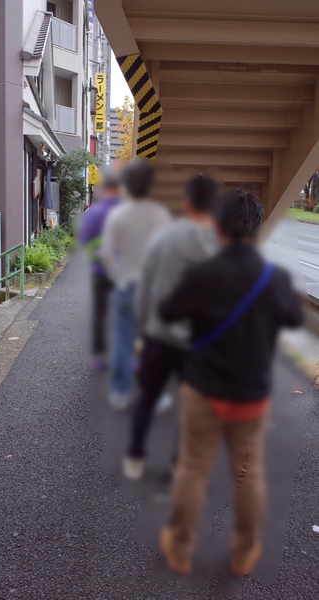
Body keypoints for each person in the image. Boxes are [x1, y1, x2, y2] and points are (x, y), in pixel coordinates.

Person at [158, 189, 304, 576]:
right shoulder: (273, 278)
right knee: (248, 473)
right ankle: (243, 550)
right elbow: (292, 320)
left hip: (203, 388)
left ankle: (182, 546)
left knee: (192, 468)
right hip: (251, 393)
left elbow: (169, 312)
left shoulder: (201, 274)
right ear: (256, 226)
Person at [123, 174, 219, 480]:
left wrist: (140, 330)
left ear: (186, 202)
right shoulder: (220, 246)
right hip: (198, 344)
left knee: (148, 398)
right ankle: (179, 463)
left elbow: (144, 288)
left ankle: (135, 457)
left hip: (159, 337)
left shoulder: (162, 238)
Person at [101, 158, 171, 409]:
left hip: (126, 284)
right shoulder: (160, 214)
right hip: (152, 288)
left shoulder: (118, 215)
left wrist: (118, 276)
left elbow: (108, 253)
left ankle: (120, 392)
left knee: (122, 340)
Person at [78, 167, 121, 369]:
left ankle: (101, 356)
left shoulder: (93, 213)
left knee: (100, 312)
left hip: (100, 270)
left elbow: (85, 240)